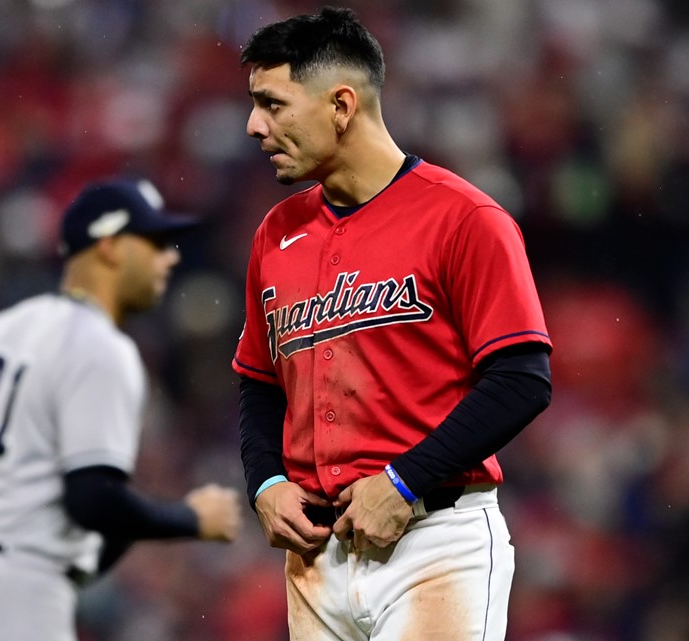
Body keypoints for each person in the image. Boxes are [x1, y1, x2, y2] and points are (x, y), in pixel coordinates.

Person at [233, 7, 553, 641]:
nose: (253, 126)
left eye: (272, 104)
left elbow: (522, 377)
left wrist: (406, 480)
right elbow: (259, 383)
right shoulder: (277, 233)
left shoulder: (464, 218)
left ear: (342, 104)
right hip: (317, 556)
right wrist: (266, 481)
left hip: (433, 541)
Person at [0, 177, 242, 641]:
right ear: (109, 247)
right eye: (154, 243)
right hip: (15, 594)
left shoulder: (2, 328)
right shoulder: (101, 347)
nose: (169, 258)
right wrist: (190, 518)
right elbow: (93, 500)